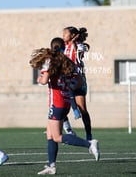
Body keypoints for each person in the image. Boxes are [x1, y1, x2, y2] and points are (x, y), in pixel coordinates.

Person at [30, 37, 99, 175]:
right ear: (63, 47)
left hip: (56, 103)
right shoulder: (68, 62)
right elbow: (79, 81)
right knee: (50, 134)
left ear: (51, 47)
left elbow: (44, 81)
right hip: (66, 101)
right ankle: (51, 165)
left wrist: (39, 79)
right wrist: (69, 86)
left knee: (56, 137)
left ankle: (90, 144)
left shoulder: (51, 61)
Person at [62, 26, 93, 141]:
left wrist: (74, 43)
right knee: (60, 107)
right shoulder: (63, 47)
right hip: (66, 80)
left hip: (78, 80)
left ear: (73, 35)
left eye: (65, 33)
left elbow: (78, 56)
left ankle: (89, 135)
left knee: (83, 109)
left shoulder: (80, 46)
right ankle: (69, 130)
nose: (63, 35)